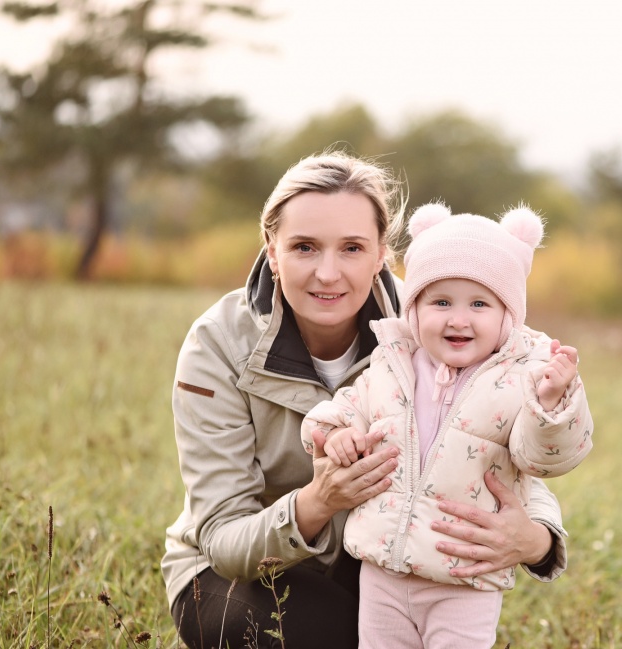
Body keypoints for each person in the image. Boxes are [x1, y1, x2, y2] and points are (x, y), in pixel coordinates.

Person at [161, 151, 572, 649]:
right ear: (272, 250)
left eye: (352, 248)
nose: (328, 274)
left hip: (378, 557)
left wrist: (538, 539)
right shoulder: (218, 344)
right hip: (234, 575)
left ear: (383, 254)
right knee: (328, 633)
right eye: (305, 247)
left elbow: (491, 431)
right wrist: (318, 502)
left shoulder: (437, 316)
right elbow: (224, 539)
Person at [301, 201, 594, 648]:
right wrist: (335, 435)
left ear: (507, 316)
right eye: (441, 302)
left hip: (465, 575)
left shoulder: (525, 378)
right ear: (415, 311)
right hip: (383, 568)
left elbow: (543, 459)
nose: (459, 318)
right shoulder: (392, 364)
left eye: (479, 303)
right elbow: (341, 410)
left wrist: (550, 404)